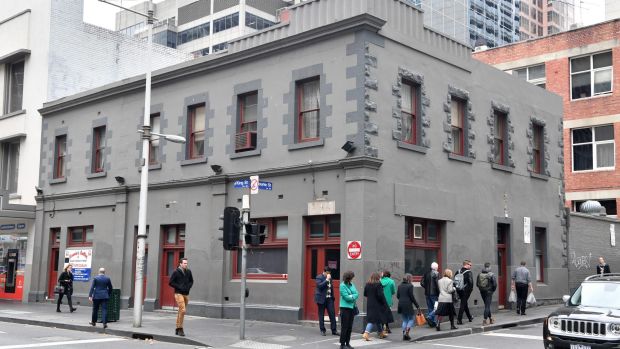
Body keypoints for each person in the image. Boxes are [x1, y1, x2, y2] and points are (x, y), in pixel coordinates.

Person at [169, 257, 194, 337]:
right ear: (180, 264)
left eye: (186, 263)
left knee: (181, 311)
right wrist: (180, 287)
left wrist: (188, 287)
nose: (186, 264)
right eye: (184, 263)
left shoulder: (189, 271)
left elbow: (191, 281)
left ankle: (177, 328)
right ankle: (180, 328)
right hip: (178, 293)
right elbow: (171, 282)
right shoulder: (176, 272)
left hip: (186, 294)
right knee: (183, 310)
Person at [362, 272, 388, 341]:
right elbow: (380, 295)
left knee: (378, 319)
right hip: (377, 304)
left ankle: (381, 333)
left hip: (370, 304)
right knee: (372, 320)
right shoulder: (378, 284)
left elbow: (365, 294)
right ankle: (366, 333)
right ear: (378, 278)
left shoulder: (367, 284)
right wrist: (383, 303)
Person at [315, 266, 338, 336]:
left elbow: (331, 288)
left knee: (332, 314)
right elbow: (320, 286)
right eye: (327, 273)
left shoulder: (330, 278)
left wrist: (333, 297)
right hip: (321, 299)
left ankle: (334, 330)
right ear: (324, 272)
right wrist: (327, 279)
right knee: (321, 315)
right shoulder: (319, 277)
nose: (329, 274)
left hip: (329, 299)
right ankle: (322, 330)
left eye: (329, 273)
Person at [397, 273, 420, 341]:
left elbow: (398, 296)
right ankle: (407, 332)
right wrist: (417, 305)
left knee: (405, 320)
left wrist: (402, 299)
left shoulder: (400, 285)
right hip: (408, 304)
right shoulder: (410, 286)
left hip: (401, 304)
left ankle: (404, 334)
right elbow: (411, 297)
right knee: (411, 319)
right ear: (409, 278)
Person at [339, 270, 358, 349]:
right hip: (345, 308)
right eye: (351, 278)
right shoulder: (342, 285)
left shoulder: (351, 284)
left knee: (350, 327)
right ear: (348, 278)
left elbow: (357, 293)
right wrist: (353, 296)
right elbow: (346, 297)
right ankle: (342, 344)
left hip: (352, 308)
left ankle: (347, 343)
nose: (352, 279)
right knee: (345, 327)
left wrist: (352, 296)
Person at [420, 262, 440, 327]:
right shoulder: (436, 273)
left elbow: (421, 283)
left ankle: (431, 323)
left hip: (427, 293)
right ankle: (430, 317)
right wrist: (439, 293)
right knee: (436, 308)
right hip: (434, 294)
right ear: (436, 268)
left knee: (430, 308)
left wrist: (426, 287)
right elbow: (437, 285)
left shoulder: (426, 273)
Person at [455, 260, 474, 325]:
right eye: (470, 265)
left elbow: (455, 281)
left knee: (464, 303)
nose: (471, 266)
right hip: (466, 291)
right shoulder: (469, 272)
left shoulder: (458, 271)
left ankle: (469, 317)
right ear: (466, 264)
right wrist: (471, 290)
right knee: (463, 304)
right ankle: (459, 320)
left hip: (459, 290)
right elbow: (471, 282)